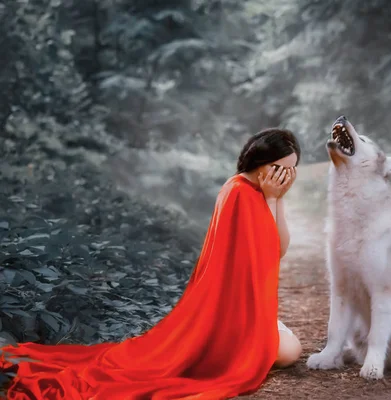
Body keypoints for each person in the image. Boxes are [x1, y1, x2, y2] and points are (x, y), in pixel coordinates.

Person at [0, 128, 303, 400]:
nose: (284, 176)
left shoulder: (266, 193)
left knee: (290, 352)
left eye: (291, 171)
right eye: (278, 168)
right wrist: (271, 198)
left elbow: (279, 249)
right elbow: (257, 258)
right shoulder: (238, 191)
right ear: (259, 162)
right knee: (289, 352)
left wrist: (276, 200)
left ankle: (264, 328)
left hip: (248, 305)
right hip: (228, 311)